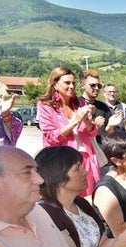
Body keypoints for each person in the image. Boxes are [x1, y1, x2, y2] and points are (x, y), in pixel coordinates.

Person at [37, 66, 99, 197]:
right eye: (67, 83)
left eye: (74, 83)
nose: (72, 86)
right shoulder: (45, 105)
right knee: (66, 200)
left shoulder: (79, 102)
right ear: (55, 84)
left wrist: (86, 120)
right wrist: (75, 121)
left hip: (86, 159)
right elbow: (50, 137)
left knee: (87, 200)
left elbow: (93, 132)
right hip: (63, 163)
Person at [78, 69, 111, 141]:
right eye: (92, 85)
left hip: (101, 148)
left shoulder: (103, 107)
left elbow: (108, 132)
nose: (96, 88)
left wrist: (112, 124)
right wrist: (93, 125)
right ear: (82, 86)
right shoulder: (76, 105)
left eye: (98, 85)